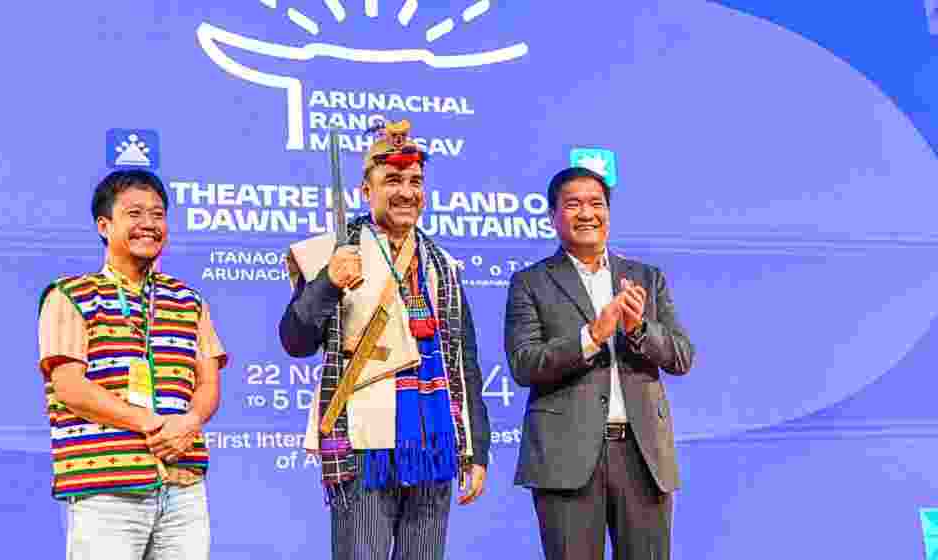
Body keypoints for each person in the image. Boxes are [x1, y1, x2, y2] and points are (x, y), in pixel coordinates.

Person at [279, 120, 490, 560]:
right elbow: (295, 341)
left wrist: (477, 450)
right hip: (364, 446)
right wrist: (328, 283)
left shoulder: (443, 265)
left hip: (435, 445)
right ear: (365, 190)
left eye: (415, 181)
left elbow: (463, 360)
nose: (406, 192)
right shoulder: (334, 251)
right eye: (392, 180)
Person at [504, 166, 695, 560]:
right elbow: (524, 363)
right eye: (573, 204)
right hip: (565, 459)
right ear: (552, 215)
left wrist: (639, 329)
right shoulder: (530, 282)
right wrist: (591, 337)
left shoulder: (646, 277)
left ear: (608, 212)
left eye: (596, 204)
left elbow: (681, 357)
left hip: (643, 457)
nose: (587, 214)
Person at [37, 169, 227, 559]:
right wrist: (151, 424)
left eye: (157, 215)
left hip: (184, 486)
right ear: (104, 225)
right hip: (107, 489)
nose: (149, 224)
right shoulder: (70, 295)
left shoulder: (189, 300)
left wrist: (189, 422)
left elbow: (208, 383)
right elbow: (70, 387)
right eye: (134, 214)